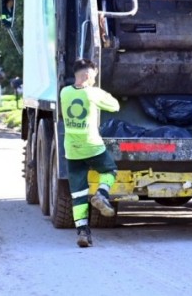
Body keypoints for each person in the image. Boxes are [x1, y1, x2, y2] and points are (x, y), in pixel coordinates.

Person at [59, 58, 120, 248]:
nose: (95, 78)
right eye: (94, 75)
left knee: (78, 194)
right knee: (110, 171)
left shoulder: (64, 92)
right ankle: (101, 194)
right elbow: (115, 106)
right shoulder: (93, 93)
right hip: (93, 146)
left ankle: (83, 232)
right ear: (86, 75)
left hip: (72, 151)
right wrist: (103, 93)